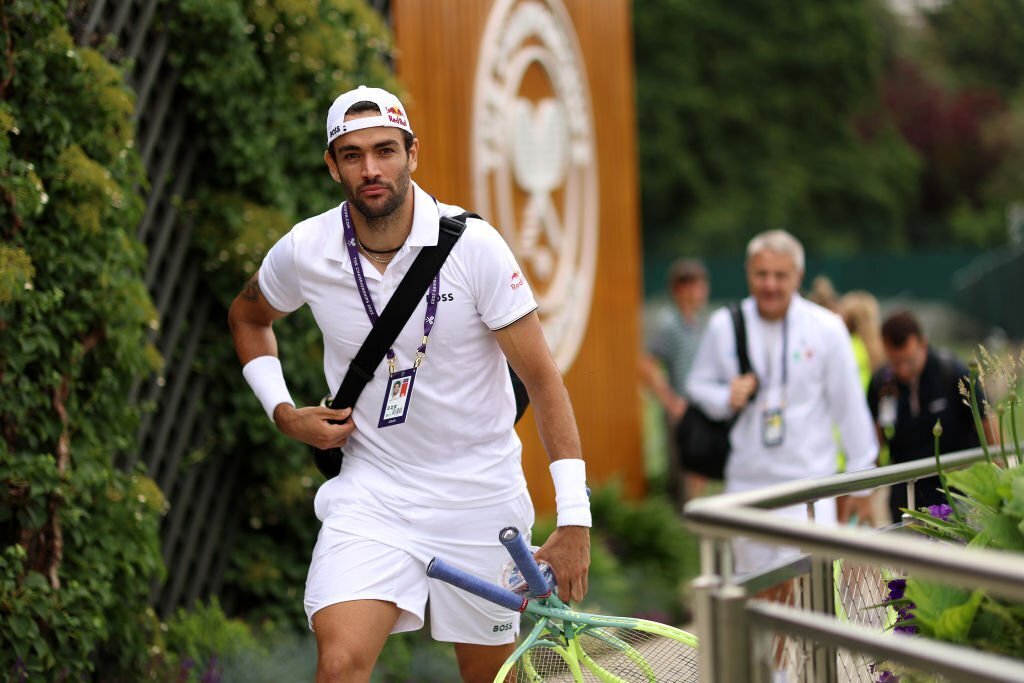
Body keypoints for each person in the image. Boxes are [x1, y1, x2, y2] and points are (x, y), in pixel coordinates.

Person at [227, 85, 591, 683]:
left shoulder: (475, 248)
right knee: (339, 664)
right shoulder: (306, 249)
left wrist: (574, 519)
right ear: (332, 165)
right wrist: (284, 412)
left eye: (385, 150)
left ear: (411, 154)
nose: (371, 168)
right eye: (352, 154)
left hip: (481, 499)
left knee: (489, 678)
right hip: (373, 493)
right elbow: (247, 316)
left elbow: (544, 382)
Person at [686, 230, 878, 574]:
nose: (770, 285)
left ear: (798, 277)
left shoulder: (826, 327)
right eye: (761, 274)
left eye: (780, 275)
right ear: (748, 273)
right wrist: (725, 396)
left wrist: (863, 483)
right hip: (748, 485)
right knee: (758, 598)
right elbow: (697, 386)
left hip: (809, 486)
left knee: (811, 597)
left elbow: (849, 407)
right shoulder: (724, 325)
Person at [867, 310, 994, 523]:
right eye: (895, 363)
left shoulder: (952, 372)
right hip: (906, 494)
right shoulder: (882, 383)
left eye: (909, 361)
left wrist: (997, 471)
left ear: (923, 344)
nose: (903, 371)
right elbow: (874, 432)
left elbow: (986, 420)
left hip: (956, 490)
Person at [640, 258, 710, 503]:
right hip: (682, 413)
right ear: (680, 290)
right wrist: (672, 403)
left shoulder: (696, 323)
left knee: (699, 475)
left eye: (702, 285)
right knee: (683, 481)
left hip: (698, 411)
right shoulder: (670, 323)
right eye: (695, 286)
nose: (701, 292)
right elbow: (647, 366)